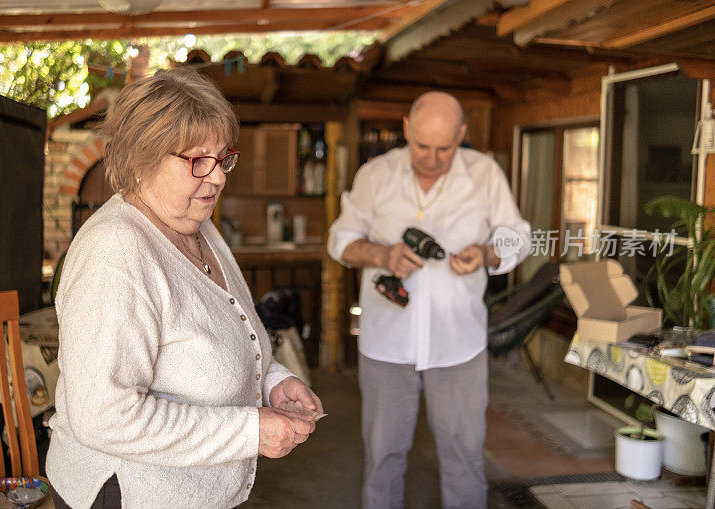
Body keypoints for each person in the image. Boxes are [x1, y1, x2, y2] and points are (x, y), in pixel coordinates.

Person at [46, 68, 323, 509]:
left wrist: (273, 380)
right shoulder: (115, 254)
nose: (217, 178)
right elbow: (102, 416)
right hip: (128, 494)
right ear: (142, 160)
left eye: (222, 159)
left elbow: (222, 334)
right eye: (197, 161)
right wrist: (250, 431)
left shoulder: (197, 226)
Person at [327, 92, 530, 508]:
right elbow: (340, 240)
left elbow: (519, 237)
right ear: (406, 129)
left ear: (462, 135)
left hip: (459, 344)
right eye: (422, 146)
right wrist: (382, 254)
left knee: (464, 460)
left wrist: (487, 253)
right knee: (382, 458)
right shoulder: (376, 174)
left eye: (445, 148)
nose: (433, 159)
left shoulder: (484, 173)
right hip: (387, 342)